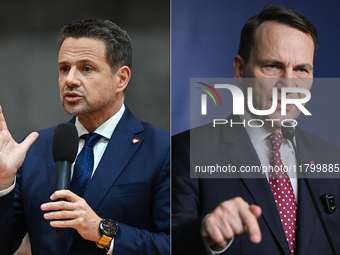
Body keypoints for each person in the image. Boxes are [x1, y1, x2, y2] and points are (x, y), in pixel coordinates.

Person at [172, 6, 340, 255]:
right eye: (273, 66)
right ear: (240, 70)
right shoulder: (186, 151)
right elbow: (167, 240)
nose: (289, 84)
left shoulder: (331, 159)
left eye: (301, 70)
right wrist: (206, 235)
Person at [0, 19, 170, 254]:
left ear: (121, 78)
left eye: (86, 68)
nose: (70, 79)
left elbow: (174, 245)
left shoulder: (162, 149)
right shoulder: (35, 150)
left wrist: (103, 231)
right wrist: (4, 184)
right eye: (63, 68)